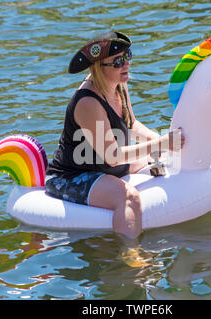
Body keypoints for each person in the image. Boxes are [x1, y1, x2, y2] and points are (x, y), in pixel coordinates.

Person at [46, 31, 184, 240]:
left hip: (106, 164)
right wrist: (161, 142)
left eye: (128, 55)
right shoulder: (88, 103)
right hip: (73, 175)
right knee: (129, 198)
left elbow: (132, 125)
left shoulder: (119, 84)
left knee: (163, 161)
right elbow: (113, 156)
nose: (126, 64)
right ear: (98, 68)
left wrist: (163, 143)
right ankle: (130, 257)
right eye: (117, 61)